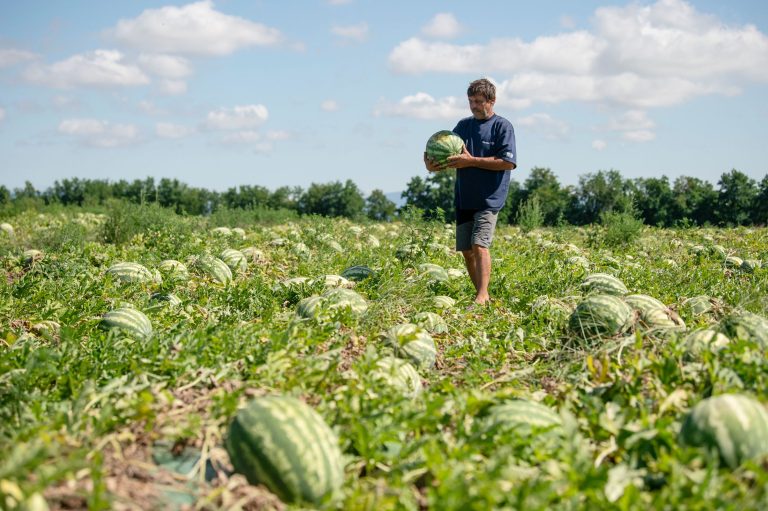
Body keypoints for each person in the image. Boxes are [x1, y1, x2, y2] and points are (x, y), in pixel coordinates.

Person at [423, 78, 517, 305]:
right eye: (471, 101)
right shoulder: (463, 126)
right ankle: (483, 295)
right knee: (466, 250)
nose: (474, 105)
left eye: (478, 101)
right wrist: (429, 163)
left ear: (491, 101)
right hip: (464, 197)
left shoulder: (502, 127)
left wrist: (471, 161)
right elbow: (447, 152)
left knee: (479, 244)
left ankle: (482, 295)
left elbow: (507, 162)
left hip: (489, 198)